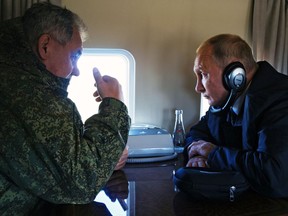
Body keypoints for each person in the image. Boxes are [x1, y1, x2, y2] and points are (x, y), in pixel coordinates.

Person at [0, 2, 131, 215]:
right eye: (74, 56)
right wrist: (114, 105)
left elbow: (67, 153)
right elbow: (81, 184)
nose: (76, 71)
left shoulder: (16, 71)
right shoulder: (26, 93)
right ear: (45, 46)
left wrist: (105, 154)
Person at [184, 34, 288, 198]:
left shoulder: (280, 100)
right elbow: (197, 132)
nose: (198, 87)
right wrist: (197, 153)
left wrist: (212, 154)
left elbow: (275, 175)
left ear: (235, 75)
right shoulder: (228, 99)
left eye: (203, 74)